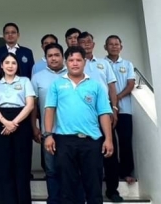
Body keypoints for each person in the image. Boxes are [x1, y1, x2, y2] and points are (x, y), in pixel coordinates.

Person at [43, 46, 114, 204]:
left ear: (85, 62)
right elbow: (49, 110)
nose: (75, 63)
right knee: (67, 186)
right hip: (64, 140)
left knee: (94, 185)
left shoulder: (96, 85)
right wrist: (48, 135)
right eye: (71, 60)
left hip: (92, 140)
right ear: (66, 62)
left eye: (78, 60)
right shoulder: (56, 85)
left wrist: (108, 139)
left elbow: (103, 113)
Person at [77, 32, 121, 202]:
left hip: (105, 111)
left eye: (89, 41)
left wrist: (114, 109)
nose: (86, 44)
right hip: (85, 114)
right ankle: (88, 191)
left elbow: (112, 88)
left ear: (94, 44)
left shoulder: (104, 64)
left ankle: (112, 190)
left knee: (110, 151)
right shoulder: (76, 63)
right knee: (89, 154)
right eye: (83, 42)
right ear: (78, 45)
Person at [0, 53, 36, 204]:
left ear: (17, 66)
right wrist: (6, 122)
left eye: (13, 63)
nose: (10, 66)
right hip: (1, 121)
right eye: (7, 63)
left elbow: (30, 105)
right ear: (1, 65)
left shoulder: (25, 81)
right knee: (4, 164)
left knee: (22, 164)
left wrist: (14, 123)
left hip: (21, 120)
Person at [31, 43, 67, 204]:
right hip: (48, 131)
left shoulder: (72, 75)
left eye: (57, 55)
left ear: (63, 57)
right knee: (51, 169)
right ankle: (53, 200)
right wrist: (34, 127)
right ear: (45, 58)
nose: (53, 58)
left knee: (70, 169)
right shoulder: (37, 77)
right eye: (50, 56)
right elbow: (33, 106)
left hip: (69, 132)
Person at [104, 35, 136, 185]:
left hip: (124, 110)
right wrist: (111, 101)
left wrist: (116, 97)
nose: (114, 46)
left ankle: (126, 172)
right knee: (110, 142)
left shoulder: (127, 64)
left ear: (121, 47)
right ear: (105, 47)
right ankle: (111, 173)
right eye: (110, 44)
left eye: (116, 44)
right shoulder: (101, 64)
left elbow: (130, 84)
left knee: (125, 141)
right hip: (107, 110)